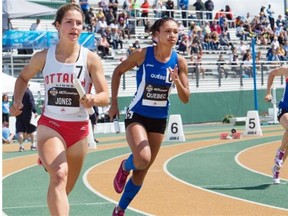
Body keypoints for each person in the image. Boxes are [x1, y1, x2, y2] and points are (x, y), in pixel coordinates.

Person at [9, 4, 109, 215]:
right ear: (57, 26)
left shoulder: (91, 58)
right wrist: (17, 100)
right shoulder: (44, 56)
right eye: (69, 22)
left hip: (79, 130)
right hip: (51, 125)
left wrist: (93, 98)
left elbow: (105, 96)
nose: (75, 27)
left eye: (79, 23)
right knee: (59, 174)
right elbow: (23, 77)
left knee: (64, 188)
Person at [108, 17, 190, 216]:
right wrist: (114, 103)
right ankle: (124, 166)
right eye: (168, 31)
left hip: (159, 119)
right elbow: (118, 71)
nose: (172, 35)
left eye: (175, 32)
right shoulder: (143, 54)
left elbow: (186, 97)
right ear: (157, 35)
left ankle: (120, 209)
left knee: (142, 170)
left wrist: (176, 80)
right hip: (137, 114)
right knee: (142, 158)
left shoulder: (179, 61)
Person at [264, 65, 288, 184]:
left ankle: (276, 170)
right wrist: (268, 92)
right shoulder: (286, 69)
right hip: (284, 110)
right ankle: (280, 154)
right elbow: (272, 74)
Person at [14, 86, 38, 152]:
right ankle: (33, 145)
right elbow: (31, 102)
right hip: (28, 115)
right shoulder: (28, 92)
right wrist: (34, 111)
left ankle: (21, 146)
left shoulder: (17, 93)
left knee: (20, 131)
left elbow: (14, 103)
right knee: (31, 131)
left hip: (19, 114)